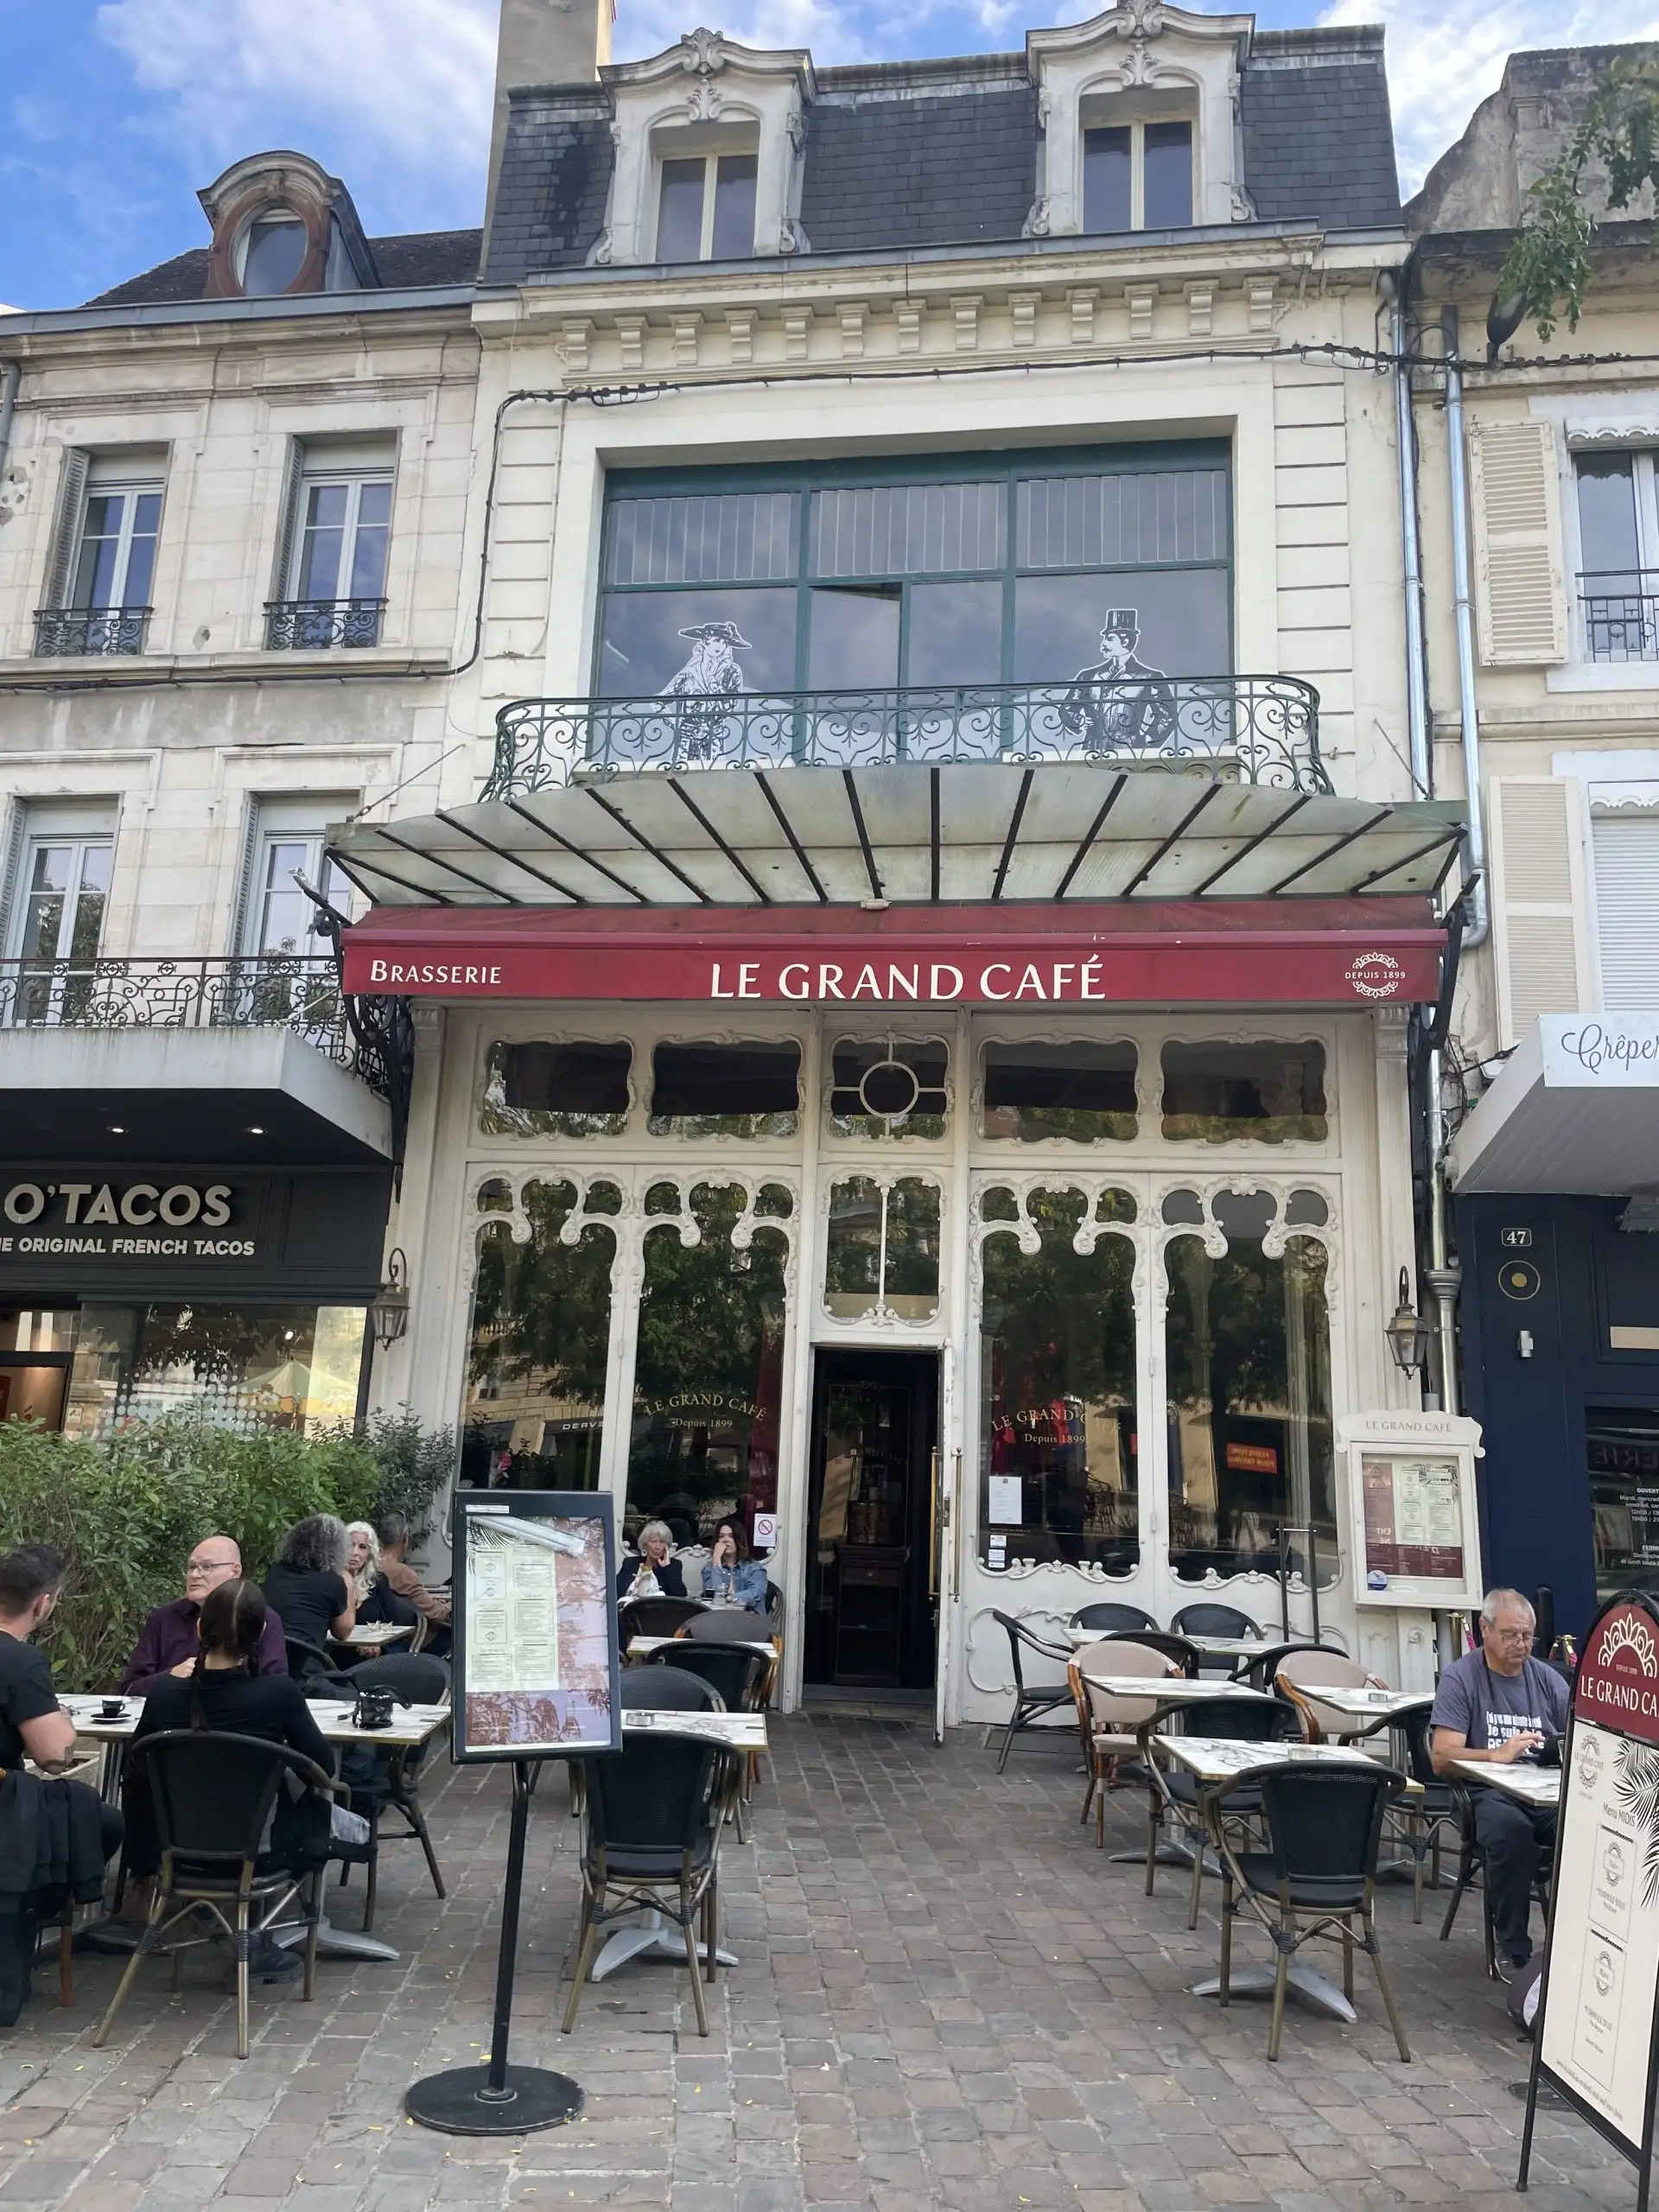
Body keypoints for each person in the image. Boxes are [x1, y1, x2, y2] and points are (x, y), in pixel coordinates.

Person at [126, 1580, 339, 1977]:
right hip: (259, 1852)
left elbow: (139, 1762)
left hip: (176, 1850)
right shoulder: (277, 1693)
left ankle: (218, 1925)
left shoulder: (165, 1695)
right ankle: (254, 1941)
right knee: (316, 1815)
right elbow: (324, 1767)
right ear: (260, 1633)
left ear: (198, 1629)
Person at [0, 1545, 125, 2021]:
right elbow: (53, 1756)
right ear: (43, 1604)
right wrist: (65, 1725)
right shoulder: (19, 1662)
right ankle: (35, 1916)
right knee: (102, 1822)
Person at [1430, 1586, 1569, 1978]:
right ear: (1484, 1629)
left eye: (1528, 1636)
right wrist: (1495, 1755)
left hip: (1542, 1791)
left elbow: (1579, 1736)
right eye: (1510, 1635)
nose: (1521, 1645)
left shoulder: (1547, 1680)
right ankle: (1515, 1950)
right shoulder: (1462, 1677)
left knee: (1582, 1833)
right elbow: (1441, 1756)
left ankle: (1575, 1943)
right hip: (1485, 1793)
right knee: (1512, 1836)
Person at [120, 1534, 287, 1693]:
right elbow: (129, 1689)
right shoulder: (163, 1619)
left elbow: (275, 1687)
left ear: (235, 1571)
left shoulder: (262, 1618)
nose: (194, 1575)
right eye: (192, 1567)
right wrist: (171, 1676)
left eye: (207, 1567)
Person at [1058, 607, 1179, 755]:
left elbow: (1167, 717)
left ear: (1125, 641)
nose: (1102, 645)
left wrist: (1145, 742)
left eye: (1109, 639)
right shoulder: (1088, 676)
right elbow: (1067, 709)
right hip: (1092, 753)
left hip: (1129, 755)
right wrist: (1079, 721)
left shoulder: (1150, 677)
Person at [262, 1515, 354, 1666]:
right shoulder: (332, 1581)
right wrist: (349, 1584)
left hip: (270, 1663)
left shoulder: (275, 1574)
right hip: (307, 1666)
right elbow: (343, 1632)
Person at [375, 1513, 450, 1632]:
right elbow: (436, 1614)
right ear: (405, 1538)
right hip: (409, 1636)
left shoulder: (370, 1565)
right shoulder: (402, 1573)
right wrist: (449, 1605)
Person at [345, 1522, 416, 1630]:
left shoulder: (378, 1581)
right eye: (350, 1545)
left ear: (370, 1554)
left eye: (362, 1547)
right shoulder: (329, 1580)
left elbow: (394, 1622)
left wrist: (376, 1644)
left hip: (374, 1644)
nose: (355, 1552)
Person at [701, 1522, 769, 1615]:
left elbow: (756, 1594)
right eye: (721, 1536)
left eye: (731, 1536)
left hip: (750, 1621)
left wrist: (729, 1598)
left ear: (739, 1540)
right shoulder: (709, 1568)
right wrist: (716, 1559)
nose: (725, 1540)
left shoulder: (755, 1568)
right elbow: (713, 1595)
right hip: (721, 1620)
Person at [616, 1521, 686, 1602]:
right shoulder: (630, 1563)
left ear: (667, 1546)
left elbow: (680, 1596)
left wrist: (666, 1569)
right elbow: (616, 1592)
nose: (657, 1547)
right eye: (653, 1541)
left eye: (662, 1542)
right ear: (645, 1544)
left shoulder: (674, 1565)